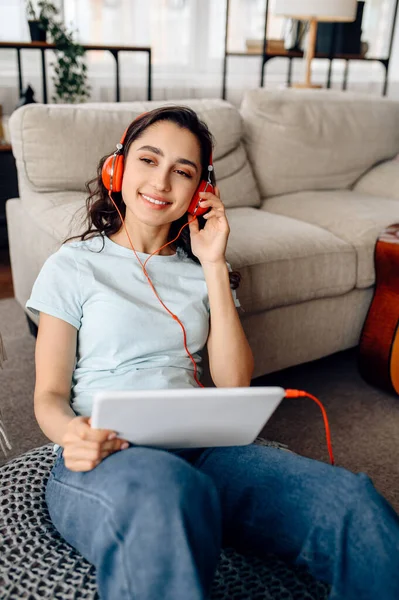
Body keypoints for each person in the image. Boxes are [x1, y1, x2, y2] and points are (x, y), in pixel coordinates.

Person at [27, 106, 399, 600]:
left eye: (183, 171)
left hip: (204, 449)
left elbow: (234, 383)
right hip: (110, 456)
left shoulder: (202, 269)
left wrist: (213, 262)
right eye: (148, 160)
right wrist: (72, 433)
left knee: (351, 502)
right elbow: (48, 394)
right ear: (117, 169)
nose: (162, 181)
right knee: (171, 495)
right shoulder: (72, 265)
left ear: (201, 191)